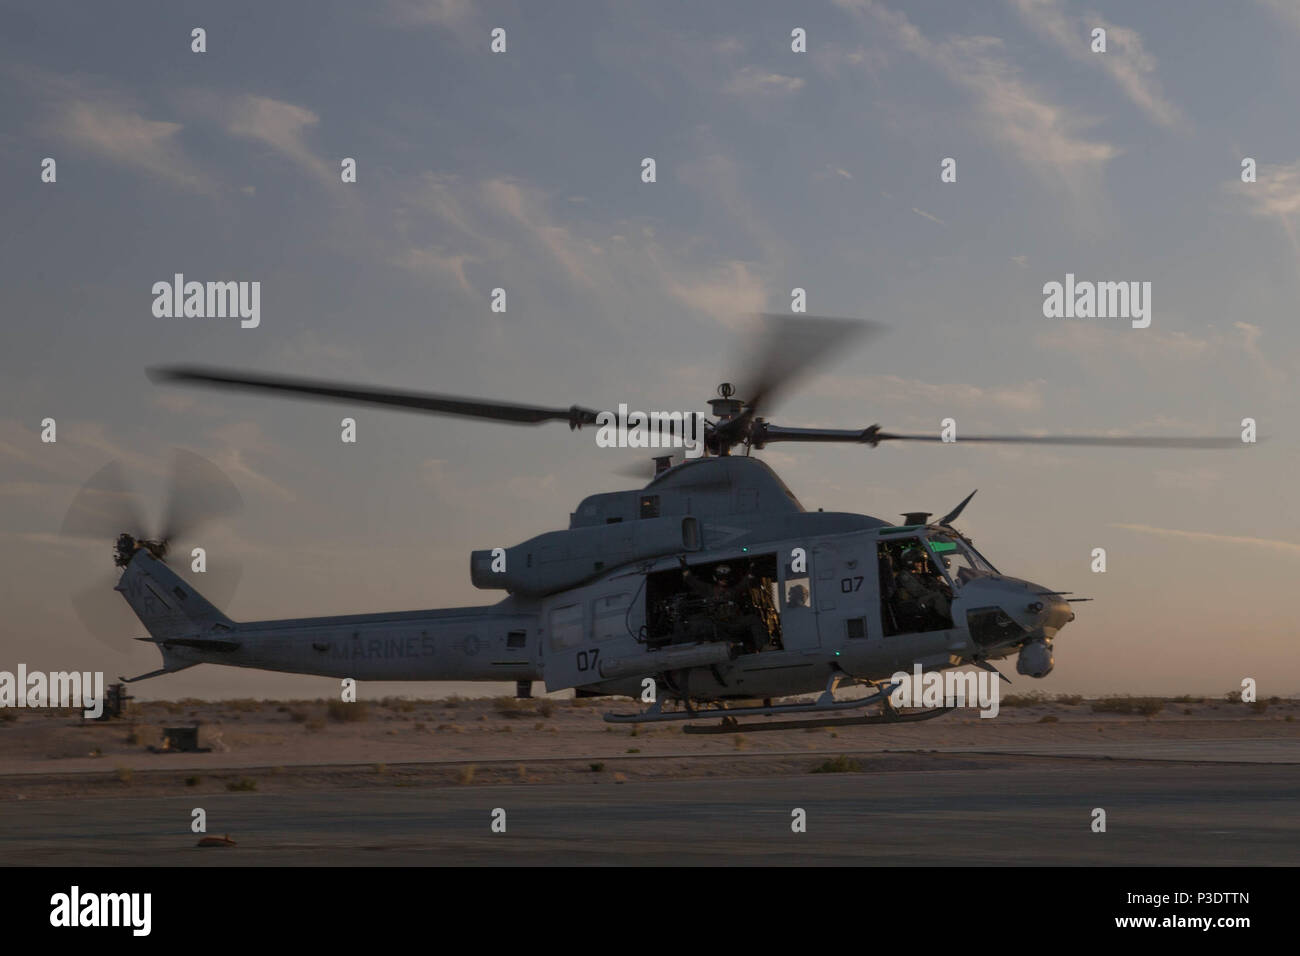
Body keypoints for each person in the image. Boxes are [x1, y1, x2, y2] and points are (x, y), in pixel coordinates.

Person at [894, 546, 951, 621]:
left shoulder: (917, 575)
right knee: (937, 597)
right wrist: (934, 591)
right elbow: (918, 591)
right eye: (918, 561)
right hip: (912, 602)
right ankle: (950, 619)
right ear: (910, 561)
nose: (921, 564)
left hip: (919, 600)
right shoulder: (904, 575)